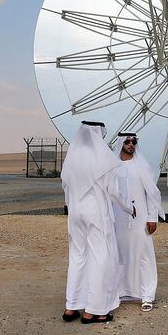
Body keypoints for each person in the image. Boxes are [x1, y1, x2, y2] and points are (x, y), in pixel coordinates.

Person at [61, 121, 136, 324]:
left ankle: (72, 306)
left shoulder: (72, 158)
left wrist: (73, 208)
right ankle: (95, 310)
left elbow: (65, 187)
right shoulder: (104, 157)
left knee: (77, 257)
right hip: (96, 214)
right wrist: (130, 208)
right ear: (98, 133)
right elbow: (114, 193)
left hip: (75, 214)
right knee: (101, 257)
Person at [111, 132, 165, 312]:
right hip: (117, 218)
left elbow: (151, 193)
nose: (131, 144)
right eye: (127, 141)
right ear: (121, 143)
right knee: (119, 254)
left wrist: (152, 217)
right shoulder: (112, 166)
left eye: (134, 141)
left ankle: (147, 295)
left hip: (140, 217)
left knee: (144, 254)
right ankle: (121, 291)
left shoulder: (141, 165)